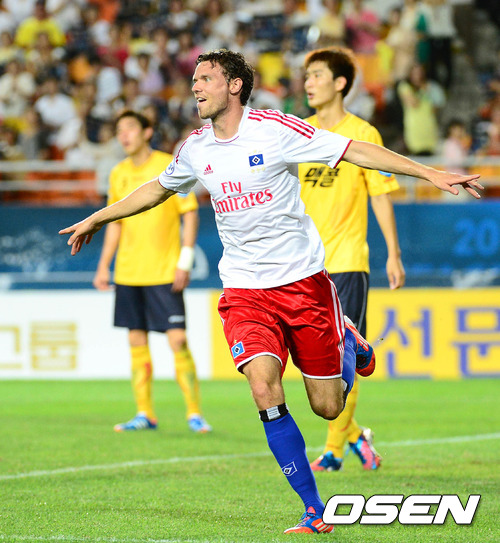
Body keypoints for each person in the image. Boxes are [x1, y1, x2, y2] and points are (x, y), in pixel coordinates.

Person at [59, 50, 482, 534]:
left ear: (235, 85)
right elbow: (157, 189)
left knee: (328, 406)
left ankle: (347, 341)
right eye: (194, 79)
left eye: (206, 78)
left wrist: (430, 173)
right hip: (244, 290)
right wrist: (98, 217)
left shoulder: (275, 129)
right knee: (263, 386)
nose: (195, 86)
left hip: (303, 284)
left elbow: (355, 151)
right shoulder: (195, 148)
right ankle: (313, 508)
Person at [299, 46, 405, 473]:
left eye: (317, 75)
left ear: (340, 83)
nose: (308, 82)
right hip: (304, 266)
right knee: (309, 363)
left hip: (346, 261)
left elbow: (380, 196)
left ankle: (334, 451)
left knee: (341, 357)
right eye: (307, 75)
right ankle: (356, 435)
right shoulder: (300, 133)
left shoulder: (363, 133)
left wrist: (393, 253)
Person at [93, 110, 212, 434]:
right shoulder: (118, 173)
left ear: (147, 132)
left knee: (178, 340)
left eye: (130, 128)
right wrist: (104, 265)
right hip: (128, 272)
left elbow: (190, 213)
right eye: (119, 129)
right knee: (135, 340)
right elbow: (114, 223)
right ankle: (144, 413)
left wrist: (185, 260)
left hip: (164, 271)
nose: (124, 135)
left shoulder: (168, 165)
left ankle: (194, 413)